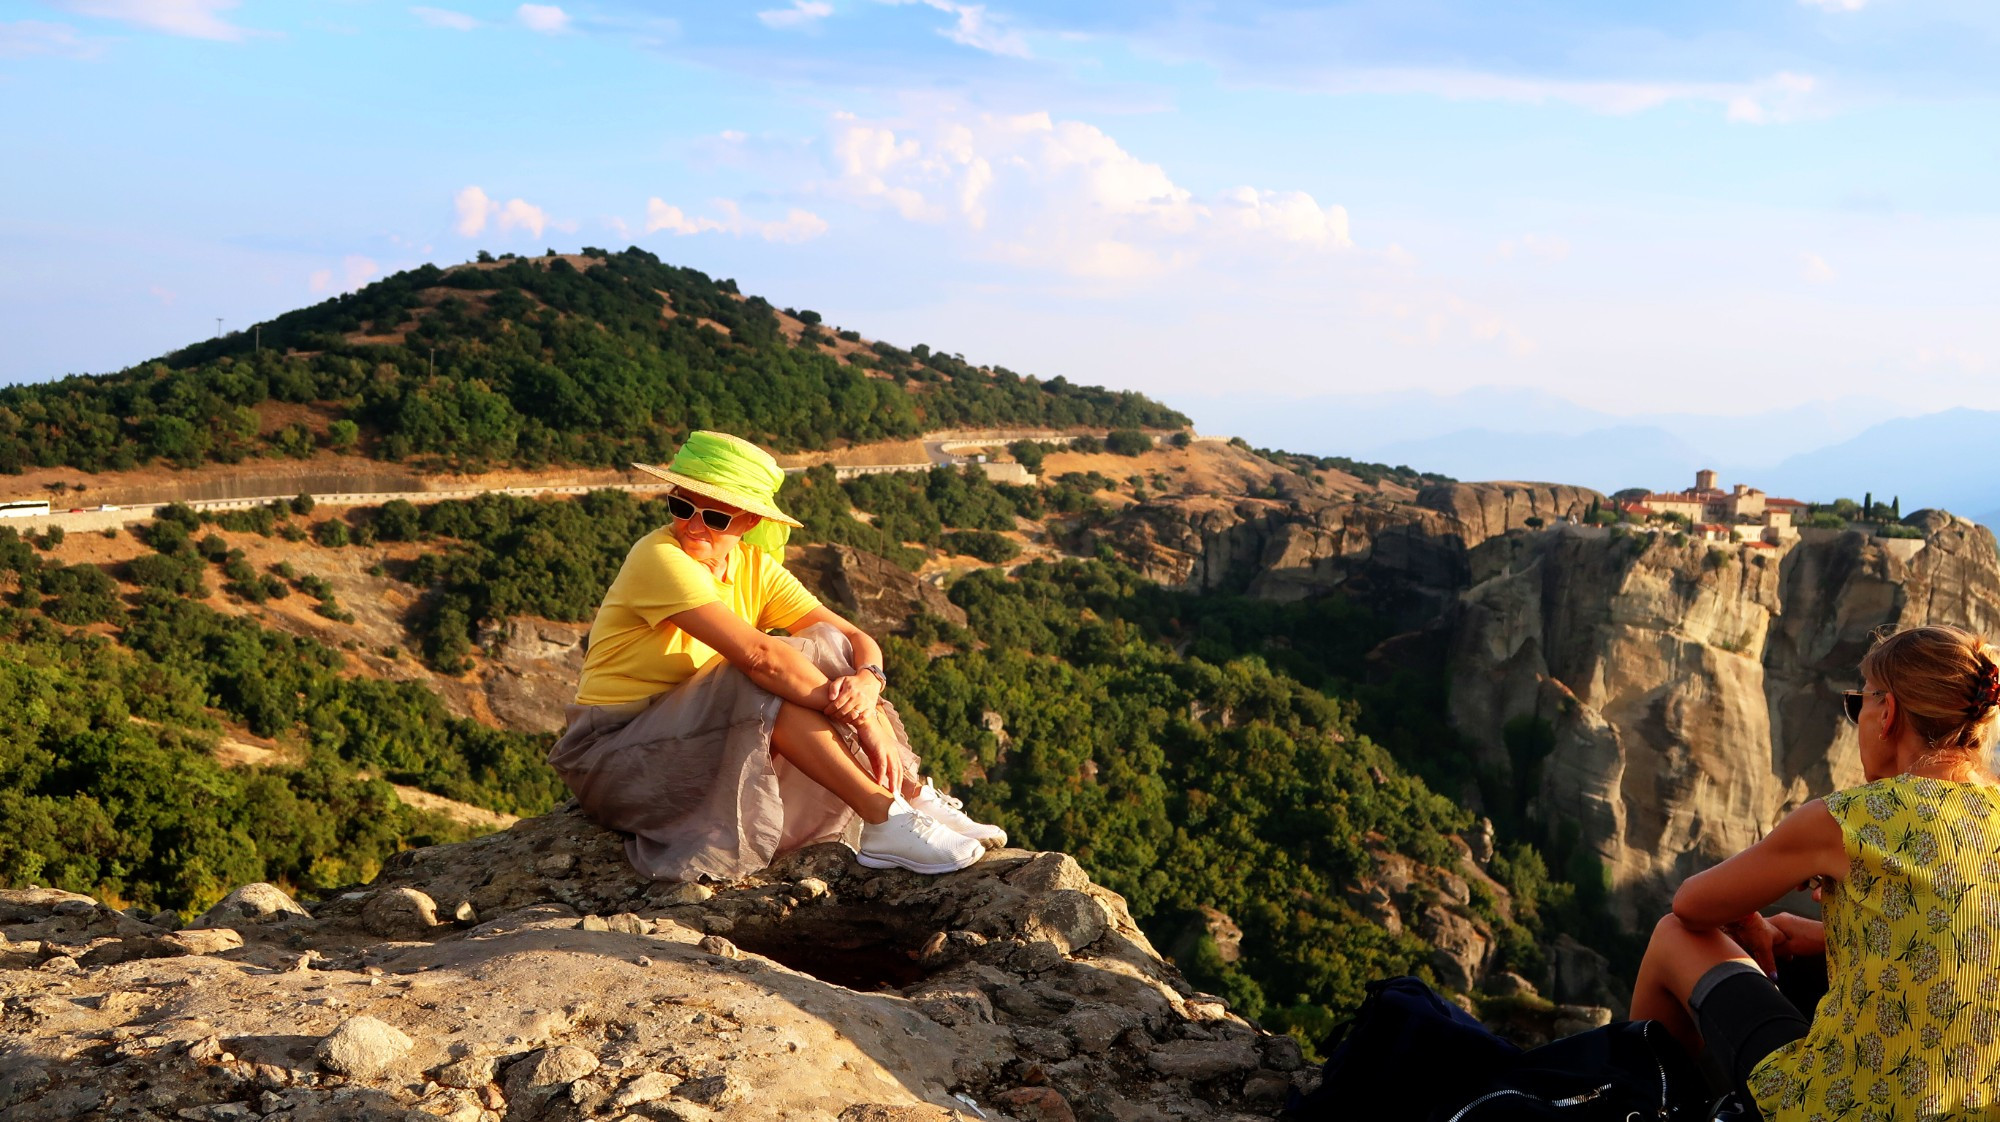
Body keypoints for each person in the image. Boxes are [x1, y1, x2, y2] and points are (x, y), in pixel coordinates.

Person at [547, 430, 1006, 882]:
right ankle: (882, 815)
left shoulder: (754, 567)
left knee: (825, 646)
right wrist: (865, 721)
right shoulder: (658, 557)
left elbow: (850, 637)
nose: (692, 524)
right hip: (614, 756)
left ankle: (907, 795)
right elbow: (758, 657)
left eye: (715, 516)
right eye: (681, 505)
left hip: (690, 736)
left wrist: (868, 681)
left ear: (749, 522)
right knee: (761, 676)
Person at [1628, 624, 2000, 1120]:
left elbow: (1692, 905)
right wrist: (1826, 935)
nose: (1858, 719)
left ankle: (1635, 1104)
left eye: (1858, 705)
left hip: (1843, 1108)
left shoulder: (1850, 818)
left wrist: (1747, 920)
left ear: (1887, 713)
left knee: (1673, 936)